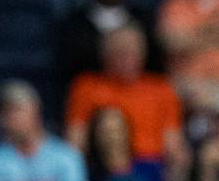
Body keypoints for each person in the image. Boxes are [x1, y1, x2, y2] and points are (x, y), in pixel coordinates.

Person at [64, 24, 184, 165]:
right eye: (119, 52)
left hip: (150, 165)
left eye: (132, 52)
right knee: (111, 120)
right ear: (105, 55)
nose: (126, 58)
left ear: (143, 53)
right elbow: (76, 139)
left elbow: (173, 142)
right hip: (104, 168)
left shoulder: (161, 88)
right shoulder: (87, 86)